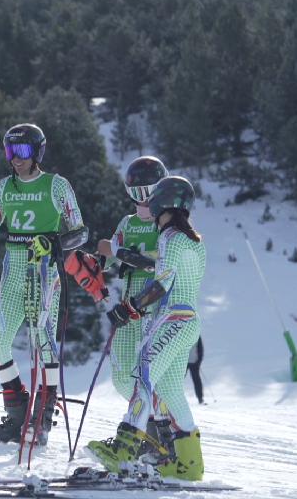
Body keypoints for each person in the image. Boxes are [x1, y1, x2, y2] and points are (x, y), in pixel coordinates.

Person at [0, 123, 84, 447]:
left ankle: (43, 414)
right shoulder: (4, 187)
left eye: (21, 152)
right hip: (13, 269)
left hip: (44, 269)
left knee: (41, 337)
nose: (15, 159)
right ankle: (19, 414)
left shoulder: (56, 185)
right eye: (9, 152)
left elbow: (80, 231)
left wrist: (53, 241)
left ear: (37, 152)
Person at [87, 176, 206, 481]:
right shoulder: (195, 241)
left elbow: (163, 281)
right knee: (169, 390)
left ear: (162, 204)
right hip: (190, 321)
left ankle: (124, 449)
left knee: (144, 376)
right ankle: (189, 463)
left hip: (171, 317)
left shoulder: (169, 238)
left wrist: (131, 306)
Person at [85, 156, 177, 447]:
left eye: (149, 194)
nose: (144, 202)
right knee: (123, 375)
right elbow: (111, 253)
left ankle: (165, 434)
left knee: (150, 374)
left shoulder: (168, 223)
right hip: (128, 305)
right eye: (137, 195)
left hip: (156, 299)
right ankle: (148, 427)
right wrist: (95, 261)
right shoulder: (128, 222)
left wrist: (135, 257)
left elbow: (167, 262)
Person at [187, 335, 204, 405]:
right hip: (183, 362)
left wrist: (199, 361)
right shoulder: (184, 335)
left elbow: (200, 349)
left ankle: (200, 398)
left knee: (197, 380)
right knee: (179, 380)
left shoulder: (197, 336)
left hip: (194, 362)